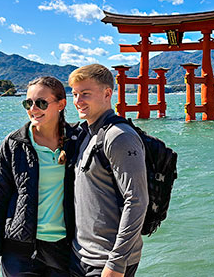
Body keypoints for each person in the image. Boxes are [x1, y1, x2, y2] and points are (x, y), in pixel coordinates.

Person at [0, 76, 79, 277]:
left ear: (61, 104)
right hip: (19, 253)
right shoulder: (13, 144)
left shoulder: (77, 140)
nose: (33, 109)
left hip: (67, 250)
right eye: (28, 103)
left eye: (41, 103)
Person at [69, 64, 148, 277]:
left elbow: (137, 200)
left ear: (107, 93)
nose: (77, 101)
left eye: (85, 94)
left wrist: (116, 262)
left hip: (107, 260)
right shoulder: (85, 133)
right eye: (75, 94)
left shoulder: (120, 136)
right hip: (80, 255)